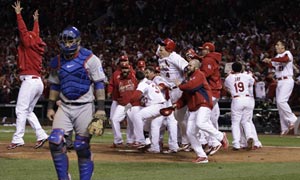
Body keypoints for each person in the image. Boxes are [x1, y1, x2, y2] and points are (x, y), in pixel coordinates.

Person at [47, 26, 106, 180]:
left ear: (78, 41)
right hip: (65, 106)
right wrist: (50, 107)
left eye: (70, 41)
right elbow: (54, 85)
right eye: (64, 41)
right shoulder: (57, 61)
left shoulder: (90, 58)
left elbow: (99, 83)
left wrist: (100, 109)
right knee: (55, 141)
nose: (67, 44)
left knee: (81, 146)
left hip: (85, 106)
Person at [7, 1, 48, 150]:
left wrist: (18, 15)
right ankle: (42, 135)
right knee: (28, 111)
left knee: (20, 109)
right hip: (38, 82)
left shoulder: (28, 41)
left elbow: (23, 31)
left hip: (30, 81)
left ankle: (18, 138)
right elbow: (34, 34)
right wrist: (36, 22)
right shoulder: (36, 43)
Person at [173, 60, 228, 163]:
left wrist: (180, 85)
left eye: (190, 65)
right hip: (193, 108)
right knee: (190, 133)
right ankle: (202, 156)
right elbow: (184, 97)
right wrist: (177, 104)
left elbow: (192, 87)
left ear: (196, 67)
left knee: (201, 123)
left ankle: (221, 136)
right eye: (188, 65)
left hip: (204, 104)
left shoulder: (199, 74)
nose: (188, 67)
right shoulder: (187, 79)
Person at [156, 38, 191, 151]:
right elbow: (159, 48)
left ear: (169, 48)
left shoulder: (175, 57)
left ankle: (186, 141)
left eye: (163, 46)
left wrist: (184, 81)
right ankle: (163, 141)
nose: (160, 48)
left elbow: (188, 68)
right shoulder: (161, 54)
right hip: (166, 90)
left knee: (180, 118)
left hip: (177, 90)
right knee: (164, 116)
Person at [263, 40, 298, 136]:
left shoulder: (287, 53)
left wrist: (272, 59)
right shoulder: (277, 57)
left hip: (287, 80)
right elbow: (274, 65)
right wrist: (267, 62)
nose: (276, 46)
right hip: (279, 81)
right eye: (276, 44)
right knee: (279, 105)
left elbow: (285, 60)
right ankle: (284, 128)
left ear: (283, 47)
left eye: (278, 44)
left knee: (281, 101)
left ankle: (293, 119)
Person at [197, 42, 223, 155]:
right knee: (208, 118)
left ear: (207, 50)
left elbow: (205, 74)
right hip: (213, 92)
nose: (201, 51)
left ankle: (214, 142)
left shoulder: (208, 60)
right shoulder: (210, 59)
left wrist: (193, 72)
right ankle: (211, 141)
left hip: (210, 92)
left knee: (203, 119)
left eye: (203, 49)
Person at [224, 62, 255, 150]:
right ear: (241, 68)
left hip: (237, 99)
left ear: (232, 69)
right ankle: (249, 137)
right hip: (247, 99)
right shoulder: (246, 76)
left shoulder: (229, 78)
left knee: (235, 123)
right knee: (246, 121)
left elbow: (226, 87)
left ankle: (236, 144)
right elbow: (252, 83)